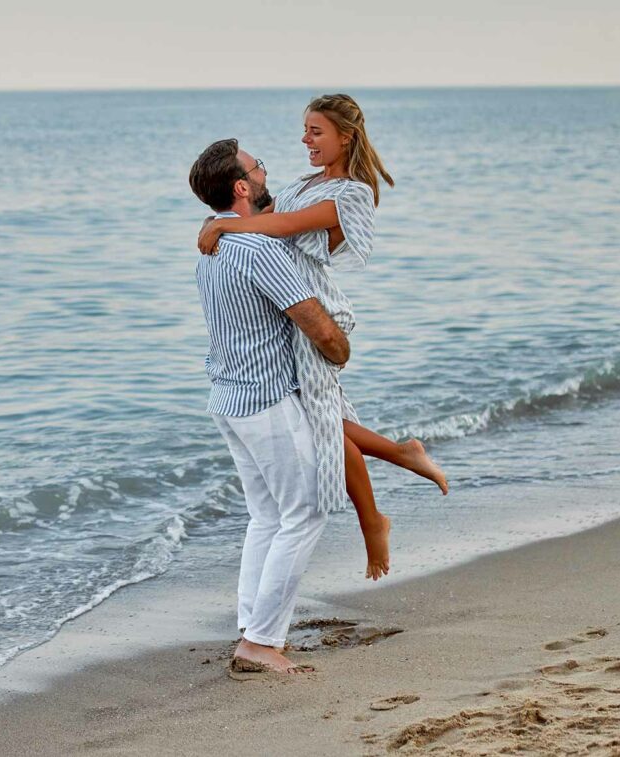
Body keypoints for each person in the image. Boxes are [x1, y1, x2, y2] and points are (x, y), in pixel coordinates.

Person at [198, 94, 448, 582]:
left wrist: (224, 223)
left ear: (345, 137)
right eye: (305, 130)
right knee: (323, 417)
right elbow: (264, 220)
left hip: (318, 308)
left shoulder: (351, 193)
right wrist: (220, 219)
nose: (305, 139)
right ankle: (397, 463)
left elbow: (284, 226)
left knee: (322, 419)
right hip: (293, 308)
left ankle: (374, 516)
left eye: (316, 131)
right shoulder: (307, 183)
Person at [190, 137, 350, 675]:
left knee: (266, 516)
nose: (266, 174)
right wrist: (340, 349)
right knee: (305, 511)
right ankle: (260, 642)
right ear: (242, 186)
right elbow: (314, 322)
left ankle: (251, 624)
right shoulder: (257, 250)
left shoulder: (215, 248)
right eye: (259, 169)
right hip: (266, 401)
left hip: (229, 400)